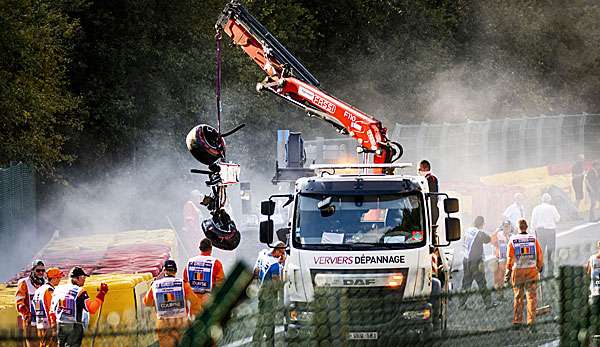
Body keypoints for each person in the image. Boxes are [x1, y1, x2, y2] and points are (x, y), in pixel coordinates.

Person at [144, 260, 200, 347]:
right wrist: (192, 316)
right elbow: (194, 301)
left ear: (164, 271)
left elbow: (147, 302)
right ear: (176, 271)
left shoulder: (155, 285)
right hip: (181, 322)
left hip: (164, 323)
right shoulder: (183, 284)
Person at [51, 267, 108, 347]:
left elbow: (52, 311)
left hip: (60, 325)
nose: (84, 280)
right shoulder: (79, 291)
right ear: (76, 278)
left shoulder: (59, 289)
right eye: (83, 277)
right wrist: (102, 293)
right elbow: (92, 309)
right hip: (74, 326)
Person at [505, 219, 543, 329]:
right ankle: (531, 323)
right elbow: (539, 255)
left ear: (518, 228)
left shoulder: (513, 239)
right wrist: (540, 267)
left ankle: (517, 321)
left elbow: (509, 257)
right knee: (531, 297)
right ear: (526, 227)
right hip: (531, 270)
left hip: (518, 271)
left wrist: (508, 271)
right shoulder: (533, 239)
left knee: (518, 296)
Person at [252, 242, 286, 346]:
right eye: (281, 253)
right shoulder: (274, 265)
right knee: (270, 321)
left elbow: (255, 272)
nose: (282, 256)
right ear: (277, 251)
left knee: (261, 317)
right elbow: (276, 285)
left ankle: (256, 340)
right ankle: (270, 343)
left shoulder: (262, 254)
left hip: (261, 292)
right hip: (270, 295)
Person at [183, 238, 225, 316]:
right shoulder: (215, 263)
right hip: (209, 303)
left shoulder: (190, 262)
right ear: (211, 249)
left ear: (200, 248)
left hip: (194, 304)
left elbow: (185, 282)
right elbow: (221, 283)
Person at [460, 216, 494, 309]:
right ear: (482, 224)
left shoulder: (468, 230)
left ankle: (461, 304)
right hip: (476, 262)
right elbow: (488, 239)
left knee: (466, 283)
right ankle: (489, 304)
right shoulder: (479, 233)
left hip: (466, 259)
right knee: (482, 283)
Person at [15, 259, 46, 347]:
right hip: (30, 321)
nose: (41, 272)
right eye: (38, 270)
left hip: (43, 321)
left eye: (43, 270)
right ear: (32, 270)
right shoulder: (24, 283)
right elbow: (19, 302)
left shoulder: (46, 283)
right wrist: (27, 316)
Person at [32, 268, 64, 347]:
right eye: (58, 277)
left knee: (43, 344)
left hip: (40, 323)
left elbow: (35, 307)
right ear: (53, 278)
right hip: (49, 325)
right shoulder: (49, 290)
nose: (60, 279)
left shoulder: (39, 290)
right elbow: (52, 309)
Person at [531, 193, 560, 277]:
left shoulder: (536, 208)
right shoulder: (552, 208)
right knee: (550, 251)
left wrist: (533, 231)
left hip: (539, 231)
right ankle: (550, 272)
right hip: (550, 231)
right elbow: (557, 219)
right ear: (549, 200)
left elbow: (533, 222)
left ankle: (541, 271)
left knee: (540, 252)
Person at [491, 220, 513, 298]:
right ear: (502, 227)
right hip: (500, 258)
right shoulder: (499, 234)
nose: (506, 228)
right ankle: (500, 295)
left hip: (509, 259)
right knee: (500, 277)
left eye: (508, 226)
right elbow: (492, 241)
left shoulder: (512, 236)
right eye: (505, 226)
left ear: (510, 227)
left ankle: (517, 292)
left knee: (513, 275)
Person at [418, 160, 439, 225]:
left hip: (430, 211)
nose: (419, 170)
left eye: (420, 168)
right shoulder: (423, 179)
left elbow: (432, 197)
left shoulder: (431, 179)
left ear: (426, 168)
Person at [587, 241, 600, 340]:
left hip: (594, 294)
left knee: (594, 320)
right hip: (595, 294)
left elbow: (588, 272)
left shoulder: (592, 259)